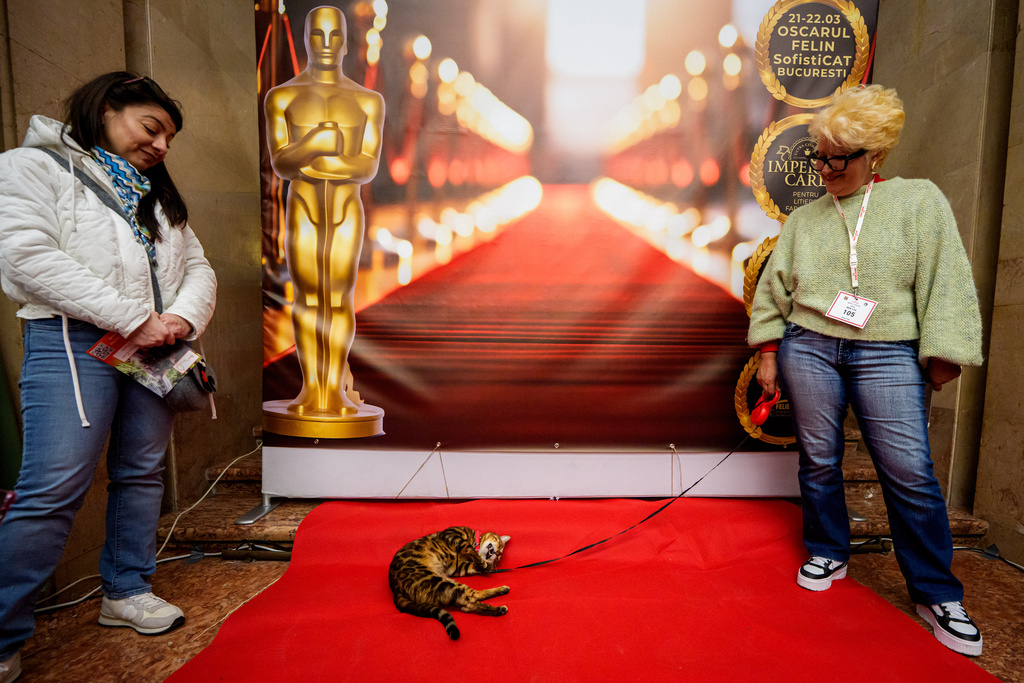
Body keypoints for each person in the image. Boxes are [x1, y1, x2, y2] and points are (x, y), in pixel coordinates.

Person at [748, 85, 984, 657]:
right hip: (810, 345)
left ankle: (936, 593)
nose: (826, 168)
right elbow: (774, 291)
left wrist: (943, 352)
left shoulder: (918, 201)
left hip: (888, 350)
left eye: (840, 157)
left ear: (874, 154)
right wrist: (769, 352)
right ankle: (828, 549)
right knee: (820, 460)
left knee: (908, 471)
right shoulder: (804, 220)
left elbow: (946, 278)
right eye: (821, 156)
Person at [0, 72, 216, 682]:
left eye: (170, 137)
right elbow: (24, 256)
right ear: (106, 109)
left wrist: (178, 317)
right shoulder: (31, 167)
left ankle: (126, 592)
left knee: (141, 473)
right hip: (74, 341)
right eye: (152, 128)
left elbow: (199, 265)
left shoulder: (155, 197)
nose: (162, 146)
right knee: (52, 489)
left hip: (154, 350)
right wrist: (132, 318)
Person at [264, 5, 384, 421]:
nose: (328, 45)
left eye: (335, 36)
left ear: (347, 41)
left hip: (346, 210)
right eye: (319, 36)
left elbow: (366, 167)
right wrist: (319, 141)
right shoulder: (282, 97)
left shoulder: (368, 101)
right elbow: (281, 163)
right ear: (306, 40)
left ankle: (334, 388)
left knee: (338, 299)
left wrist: (310, 158)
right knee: (307, 300)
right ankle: (311, 387)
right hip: (304, 208)